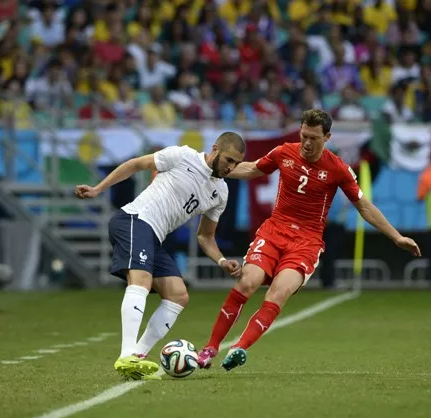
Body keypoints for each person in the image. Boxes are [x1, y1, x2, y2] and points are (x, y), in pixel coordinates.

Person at [197, 109, 421, 372]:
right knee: (248, 281)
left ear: (327, 137)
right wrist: (209, 166)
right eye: (304, 135)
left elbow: (364, 206)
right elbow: (251, 169)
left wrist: (396, 237)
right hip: (274, 231)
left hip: (306, 241)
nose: (307, 143)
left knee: (278, 292)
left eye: (314, 138)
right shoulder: (284, 152)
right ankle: (210, 347)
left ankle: (239, 348)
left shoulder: (338, 168)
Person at [75, 133, 246, 380]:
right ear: (216, 148)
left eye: (237, 164)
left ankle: (138, 357)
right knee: (141, 280)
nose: (231, 167)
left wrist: (221, 260)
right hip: (134, 220)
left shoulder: (221, 193)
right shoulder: (183, 155)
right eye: (229, 160)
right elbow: (135, 164)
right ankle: (126, 355)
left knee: (178, 295)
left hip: (154, 237)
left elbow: (205, 237)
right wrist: (98, 189)